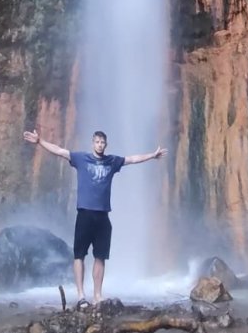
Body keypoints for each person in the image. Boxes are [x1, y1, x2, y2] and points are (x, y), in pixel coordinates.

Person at [23, 127, 166, 307]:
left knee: (100, 256)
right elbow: (60, 151)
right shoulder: (81, 159)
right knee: (79, 255)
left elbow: (132, 159)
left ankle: (97, 295)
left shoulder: (112, 161)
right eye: (97, 142)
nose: (99, 145)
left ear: (106, 144)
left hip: (103, 216)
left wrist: (152, 156)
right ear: (93, 143)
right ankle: (81, 295)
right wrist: (40, 141)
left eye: (102, 142)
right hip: (84, 213)